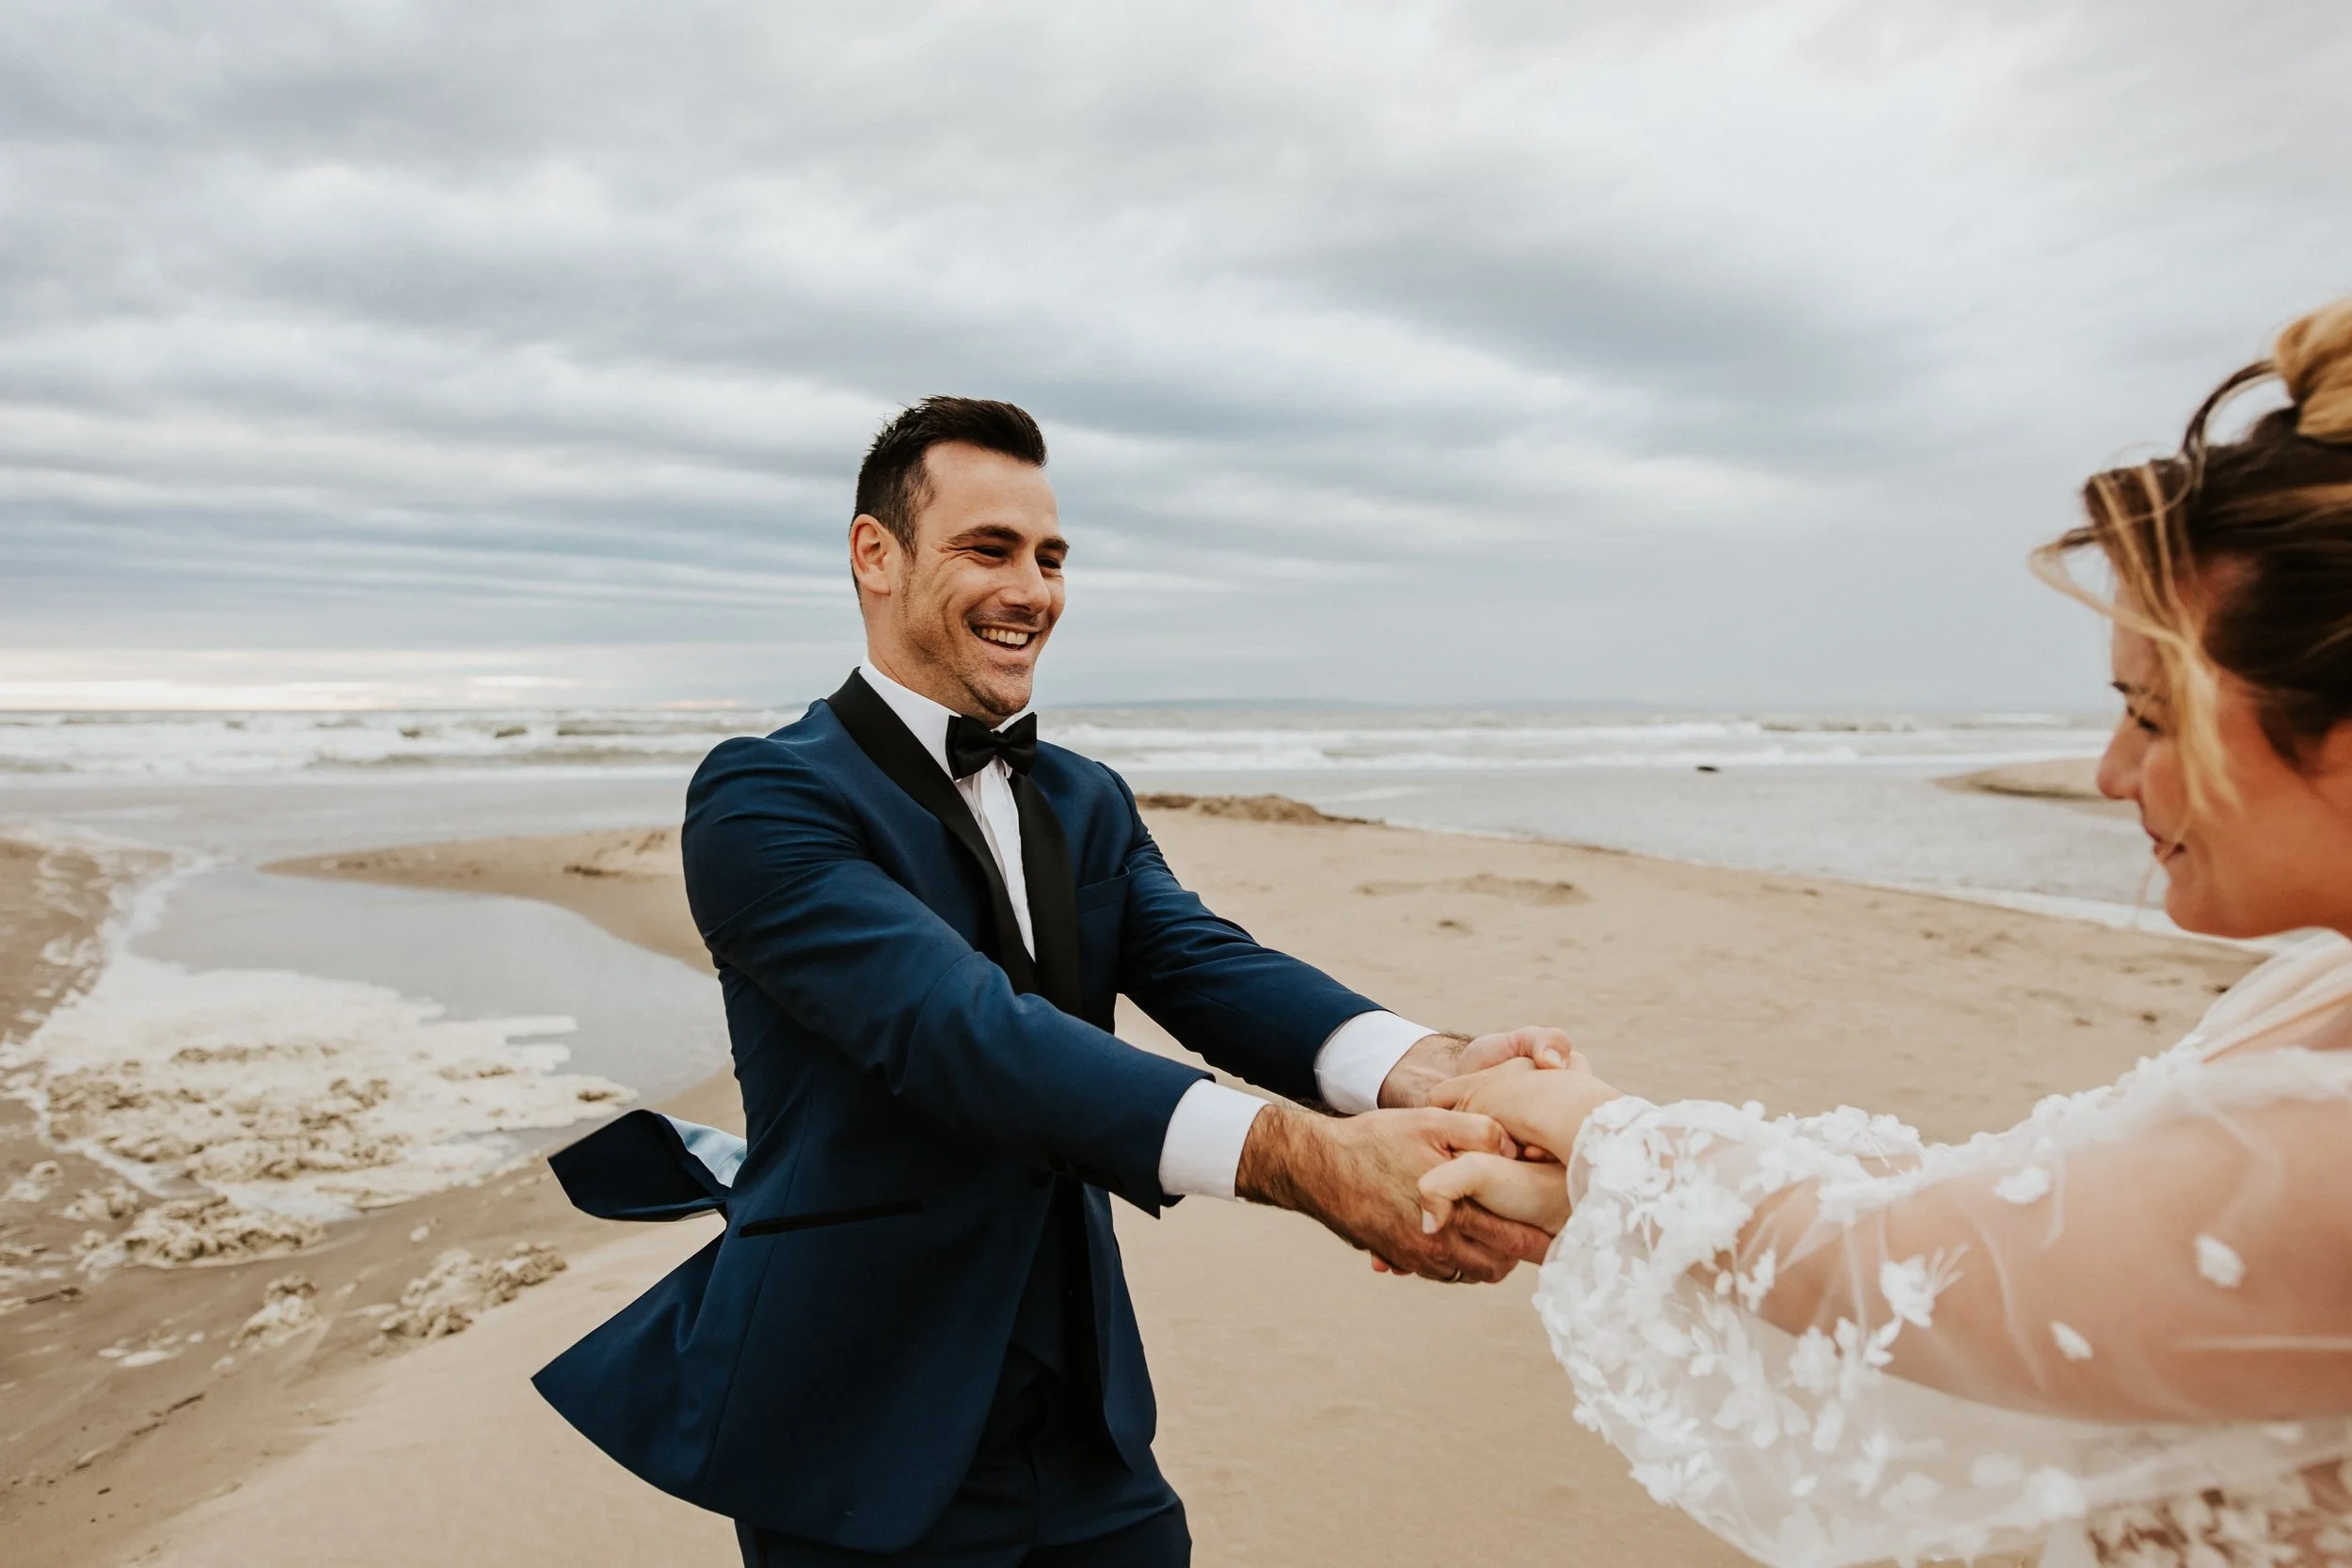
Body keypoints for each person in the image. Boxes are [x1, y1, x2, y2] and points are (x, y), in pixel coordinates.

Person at [531, 396, 1552, 1566]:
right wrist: (1304, 1159)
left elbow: (1204, 961)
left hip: (1085, 1407)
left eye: (1050, 557)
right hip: (859, 1416)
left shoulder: (1082, 795)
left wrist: (1430, 1066)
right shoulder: (764, 797)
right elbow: (961, 1031)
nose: (1031, 590)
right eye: (989, 549)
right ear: (876, 555)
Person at [1421, 299, 2352, 1568]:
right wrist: (1598, 1186)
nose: (2109, 771)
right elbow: (2033, 1220)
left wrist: (1601, 1128)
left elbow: (1924, 1269)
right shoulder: (2318, 992)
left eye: (2151, 715)